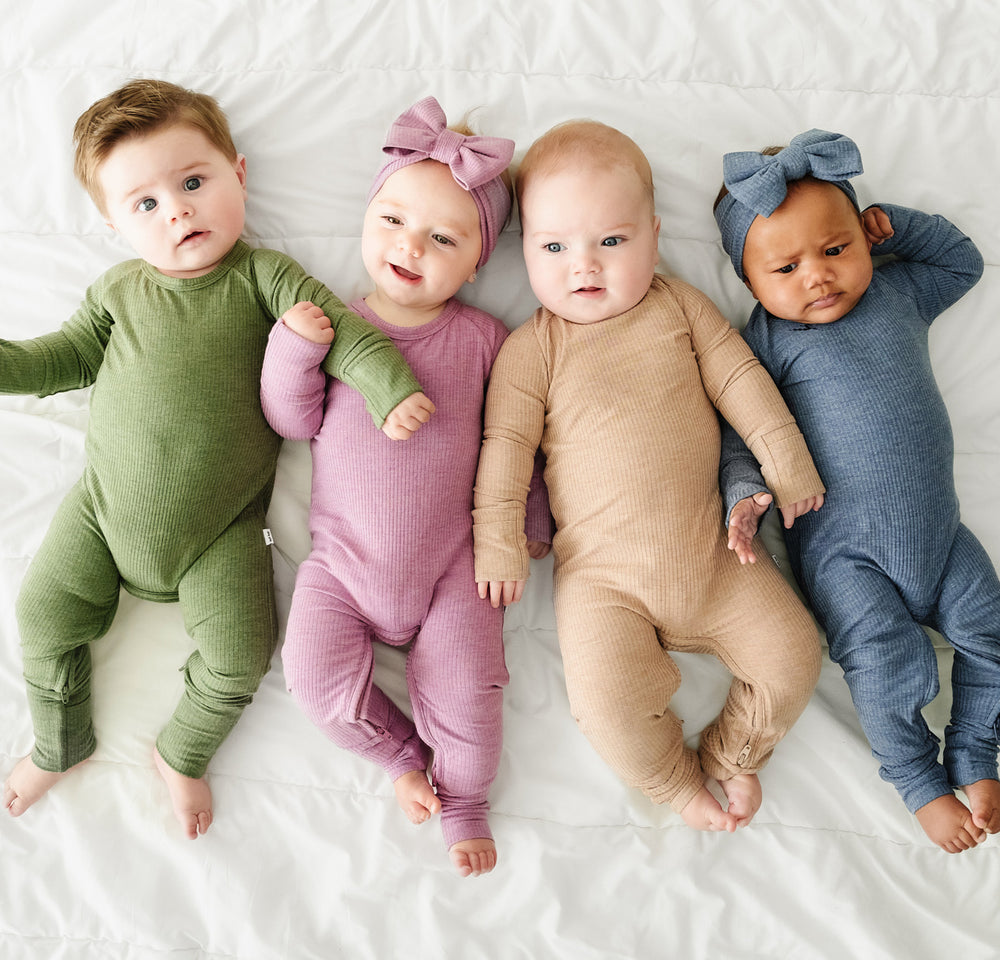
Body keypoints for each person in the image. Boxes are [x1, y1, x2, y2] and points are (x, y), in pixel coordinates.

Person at [1, 79, 432, 839]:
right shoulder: (118, 291)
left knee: (242, 655)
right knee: (39, 616)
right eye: (146, 204)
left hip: (223, 530)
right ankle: (59, 740)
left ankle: (182, 752)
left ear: (238, 173)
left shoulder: (263, 278)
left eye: (193, 182)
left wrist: (386, 386)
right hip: (103, 512)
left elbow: (347, 331)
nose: (178, 211)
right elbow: (59, 359)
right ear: (113, 223)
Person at [473, 119, 824, 832]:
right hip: (605, 583)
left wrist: (788, 464)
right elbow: (504, 452)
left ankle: (733, 754)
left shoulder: (680, 307)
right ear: (525, 253)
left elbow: (743, 383)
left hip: (721, 556)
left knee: (794, 655)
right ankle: (671, 782)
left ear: (654, 236)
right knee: (604, 703)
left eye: (612, 240)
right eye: (554, 247)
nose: (585, 266)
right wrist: (498, 543)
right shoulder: (530, 351)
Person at [261, 96, 551, 877]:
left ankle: (463, 799)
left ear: (478, 261)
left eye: (442, 237)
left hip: (456, 566)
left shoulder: (486, 340)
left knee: (473, 689)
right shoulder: (335, 326)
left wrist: (530, 519)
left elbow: (517, 438)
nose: (409, 245)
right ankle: (399, 756)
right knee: (312, 681)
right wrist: (292, 349)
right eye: (391, 219)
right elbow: (290, 420)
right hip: (341, 567)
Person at [714, 127, 1000, 853]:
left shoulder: (900, 290)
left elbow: (963, 263)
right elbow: (736, 430)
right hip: (846, 559)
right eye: (786, 266)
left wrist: (898, 227)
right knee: (886, 664)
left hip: (943, 538)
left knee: (991, 637)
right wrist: (745, 493)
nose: (817, 275)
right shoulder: (763, 343)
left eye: (836, 249)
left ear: (865, 242)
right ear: (751, 283)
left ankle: (975, 754)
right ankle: (920, 782)